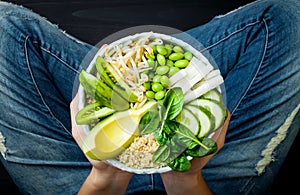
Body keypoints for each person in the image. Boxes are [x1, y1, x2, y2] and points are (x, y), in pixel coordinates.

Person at [0, 0, 299, 194]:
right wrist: (185, 178)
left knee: (4, 27)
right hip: (207, 177)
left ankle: (142, 59)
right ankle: (169, 59)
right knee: (290, 21)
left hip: (82, 180)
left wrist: (106, 175)